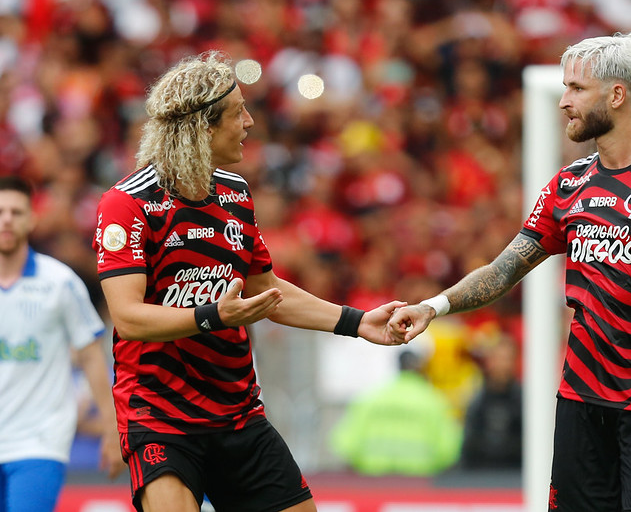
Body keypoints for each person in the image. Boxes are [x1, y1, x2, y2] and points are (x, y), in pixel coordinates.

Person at [388, 31, 631, 511]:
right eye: (564, 88)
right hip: (580, 395)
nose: (563, 101)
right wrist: (435, 305)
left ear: (616, 95)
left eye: (576, 88)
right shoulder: (568, 184)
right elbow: (503, 269)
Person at [92, 50, 405, 512]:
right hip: (160, 415)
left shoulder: (236, 193)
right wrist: (213, 315)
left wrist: (357, 323)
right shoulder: (127, 205)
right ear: (203, 127)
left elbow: (266, 291)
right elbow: (129, 317)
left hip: (238, 413)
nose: (251, 122)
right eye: (239, 112)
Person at [0, 176, 124, 512]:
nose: (7, 219)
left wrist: (113, 432)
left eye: (16, 211)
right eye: (0, 212)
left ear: (32, 219)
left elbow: (92, 358)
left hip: (38, 443)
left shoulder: (59, 283)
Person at [329, 349, 462, 476]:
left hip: (371, 483)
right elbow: (449, 450)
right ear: (420, 367)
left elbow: (346, 445)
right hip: (419, 484)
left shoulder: (370, 398)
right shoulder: (434, 401)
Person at [458, 335, 523, 471]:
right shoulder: (476, 401)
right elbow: (468, 447)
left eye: (507, 359)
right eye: (499, 359)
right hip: (481, 477)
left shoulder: (525, 402)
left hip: (516, 476)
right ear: (489, 362)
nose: (503, 365)